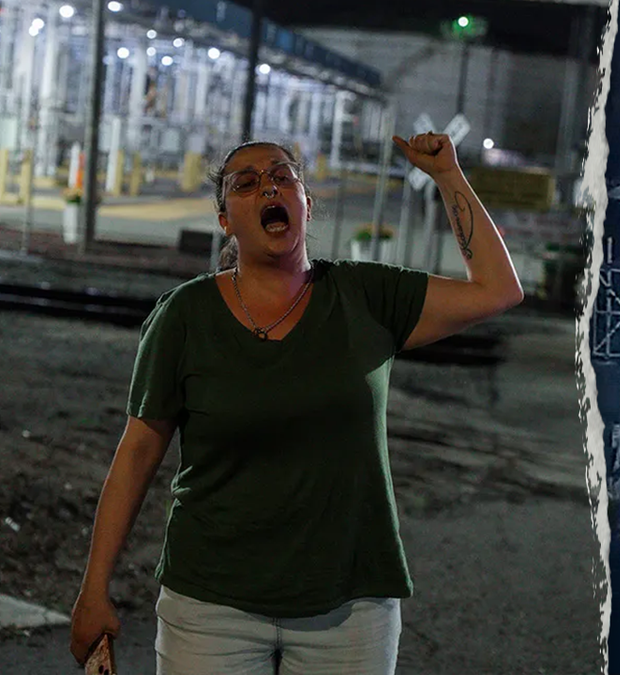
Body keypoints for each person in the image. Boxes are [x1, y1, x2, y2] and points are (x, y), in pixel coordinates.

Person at [68, 135, 524, 672]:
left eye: (284, 176)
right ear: (225, 221)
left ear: (306, 204)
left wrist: (448, 175)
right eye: (247, 182)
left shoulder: (366, 297)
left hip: (351, 607)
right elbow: (137, 453)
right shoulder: (184, 316)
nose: (269, 186)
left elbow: (498, 290)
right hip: (211, 606)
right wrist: (93, 588)